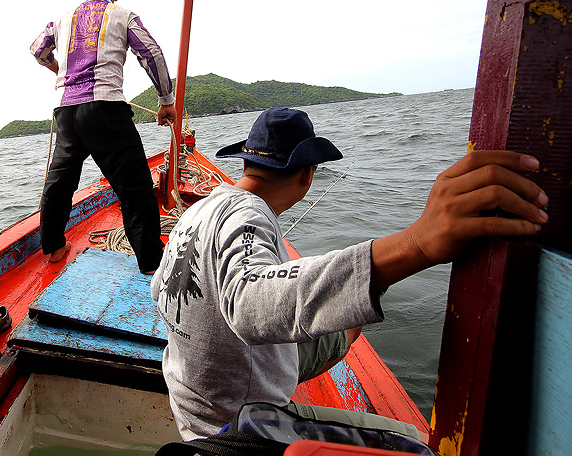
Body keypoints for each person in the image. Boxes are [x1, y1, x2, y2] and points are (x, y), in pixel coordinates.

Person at [151, 107, 548, 440]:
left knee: (346, 325)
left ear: (244, 162)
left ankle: (349, 320)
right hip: (235, 424)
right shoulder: (250, 213)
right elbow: (248, 304)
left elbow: (160, 289)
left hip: (190, 394)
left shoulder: (202, 208)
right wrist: (416, 245)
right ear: (308, 175)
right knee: (413, 440)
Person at [30, 0, 177, 273]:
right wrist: (166, 100)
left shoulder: (61, 20)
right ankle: (151, 262)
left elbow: (37, 48)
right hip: (105, 109)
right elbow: (151, 53)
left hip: (66, 112)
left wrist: (55, 67)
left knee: (60, 182)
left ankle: (54, 248)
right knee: (135, 187)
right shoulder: (123, 15)